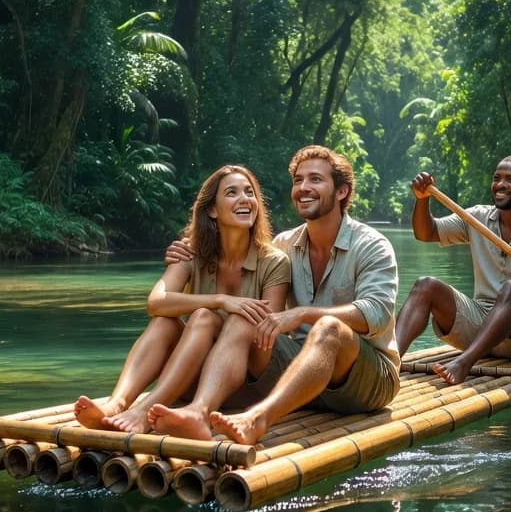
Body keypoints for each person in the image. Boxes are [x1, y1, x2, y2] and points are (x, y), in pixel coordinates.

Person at [147, 145, 400, 445]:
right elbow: (246, 264)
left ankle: (257, 419)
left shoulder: (372, 245)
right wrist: (191, 248)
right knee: (247, 319)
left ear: (342, 191)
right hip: (302, 372)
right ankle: (198, 413)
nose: (304, 188)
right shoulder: (284, 245)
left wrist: (301, 314)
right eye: (298, 180)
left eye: (316, 180)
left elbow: (377, 313)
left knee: (328, 327)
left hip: (367, 377)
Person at [73, 165, 290, 432]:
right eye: (232, 193)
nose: (245, 199)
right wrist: (219, 300)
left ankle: (144, 411)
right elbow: (156, 302)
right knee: (167, 321)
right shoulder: (190, 251)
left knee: (226, 319)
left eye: (250, 192)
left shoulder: (274, 261)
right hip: (190, 377)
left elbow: (269, 335)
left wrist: (227, 316)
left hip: (245, 387)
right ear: (212, 209)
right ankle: (117, 403)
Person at [394, 156, 511, 384]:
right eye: (497, 178)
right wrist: (422, 200)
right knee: (425, 285)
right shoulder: (476, 217)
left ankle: (464, 363)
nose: (500, 185)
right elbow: (426, 233)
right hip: (481, 323)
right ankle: (388, 362)